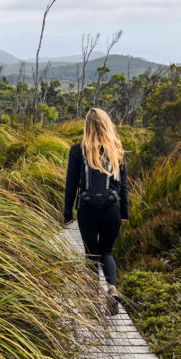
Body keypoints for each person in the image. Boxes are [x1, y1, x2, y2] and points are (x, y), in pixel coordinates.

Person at [63, 107, 129, 314]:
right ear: (106, 124)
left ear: (87, 126)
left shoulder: (78, 150)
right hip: (112, 210)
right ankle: (112, 289)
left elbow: (71, 184)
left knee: (91, 254)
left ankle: (92, 301)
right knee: (107, 252)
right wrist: (124, 213)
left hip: (87, 210)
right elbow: (124, 186)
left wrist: (67, 213)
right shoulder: (116, 149)